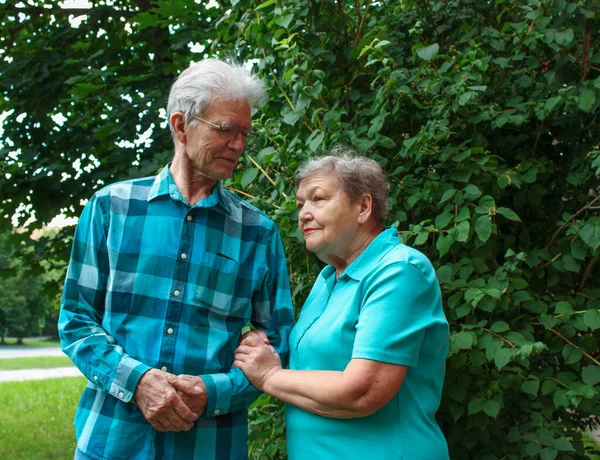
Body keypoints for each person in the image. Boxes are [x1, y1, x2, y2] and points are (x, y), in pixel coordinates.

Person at [59, 58, 295, 460]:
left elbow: (280, 343)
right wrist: (137, 381)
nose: (239, 145)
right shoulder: (110, 209)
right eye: (226, 130)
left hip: (210, 446)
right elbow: (76, 320)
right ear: (181, 125)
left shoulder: (258, 231)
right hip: (112, 442)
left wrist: (216, 392)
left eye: (244, 133)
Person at [233, 147, 450, 459]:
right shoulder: (326, 280)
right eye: (300, 204)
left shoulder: (398, 270)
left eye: (318, 198)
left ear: (362, 206)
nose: (303, 213)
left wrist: (269, 376)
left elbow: (363, 391)